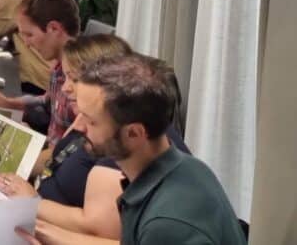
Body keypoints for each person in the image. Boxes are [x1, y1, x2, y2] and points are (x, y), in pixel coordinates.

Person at [17, 54, 246, 245]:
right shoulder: (184, 167)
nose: (79, 126)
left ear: (134, 133)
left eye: (91, 121)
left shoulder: (168, 225)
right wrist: (41, 230)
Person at [0, 0, 79, 146]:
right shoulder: (59, 67)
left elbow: (65, 153)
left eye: (29, 34)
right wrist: (8, 104)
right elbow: (47, 104)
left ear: (54, 28)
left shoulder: (80, 82)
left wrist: (27, 138)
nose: (26, 43)